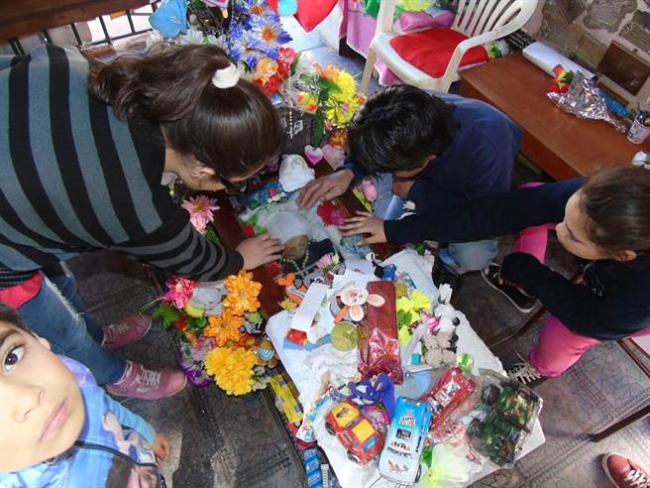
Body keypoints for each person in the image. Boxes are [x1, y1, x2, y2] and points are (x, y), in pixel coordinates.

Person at [0, 44, 284, 399]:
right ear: (202, 168)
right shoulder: (133, 206)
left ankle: (96, 333)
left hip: (21, 192)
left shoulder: (78, 65)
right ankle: (111, 373)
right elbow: (197, 261)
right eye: (229, 184)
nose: (227, 190)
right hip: (4, 247)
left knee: (61, 276)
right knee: (55, 321)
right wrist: (241, 258)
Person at [342, 166, 650, 385]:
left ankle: (541, 368)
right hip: (612, 269)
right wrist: (393, 229)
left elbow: (590, 319)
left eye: (572, 235)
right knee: (533, 198)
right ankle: (524, 280)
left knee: (563, 336)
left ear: (621, 255)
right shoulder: (601, 197)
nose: (558, 230)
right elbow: (498, 213)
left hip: (613, 312)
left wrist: (535, 275)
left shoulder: (636, 302)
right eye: (565, 217)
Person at [297, 84, 522, 281]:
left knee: (473, 255)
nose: (385, 174)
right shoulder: (400, 107)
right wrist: (348, 172)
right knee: (381, 229)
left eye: (389, 170)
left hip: (478, 203)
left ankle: (449, 264)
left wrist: (413, 198)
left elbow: (478, 219)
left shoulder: (489, 150)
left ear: (424, 162)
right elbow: (375, 142)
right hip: (421, 176)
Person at [0, 302, 170, 487]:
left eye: (11, 358)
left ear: (36, 338)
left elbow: (105, 406)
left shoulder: (71, 375)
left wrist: (145, 432)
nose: (28, 398)